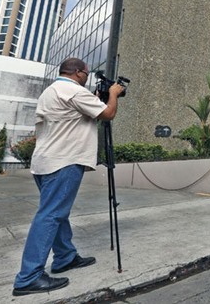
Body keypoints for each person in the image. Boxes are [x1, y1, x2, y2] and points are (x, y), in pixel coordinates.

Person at [12, 58, 125, 296]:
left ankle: (65, 257)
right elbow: (108, 113)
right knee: (51, 215)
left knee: (56, 213)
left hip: (45, 161)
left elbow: (80, 115)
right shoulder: (73, 90)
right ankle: (28, 277)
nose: (86, 76)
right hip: (64, 162)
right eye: (85, 72)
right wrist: (113, 93)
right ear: (77, 72)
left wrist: (95, 97)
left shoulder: (52, 90)